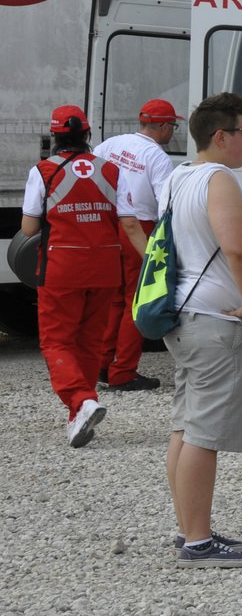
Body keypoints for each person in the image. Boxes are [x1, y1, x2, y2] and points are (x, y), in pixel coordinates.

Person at [163, 93, 242, 565]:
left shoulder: (177, 176)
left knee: (186, 426)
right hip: (215, 320)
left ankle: (191, 530)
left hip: (183, 314)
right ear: (221, 137)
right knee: (204, 433)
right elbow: (238, 251)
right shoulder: (219, 179)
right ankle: (199, 542)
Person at [20, 105, 126, 448]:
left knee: (56, 341)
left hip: (62, 267)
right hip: (106, 265)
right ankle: (79, 416)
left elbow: (29, 226)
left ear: (54, 137)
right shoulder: (110, 170)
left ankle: (81, 399)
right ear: (87, 135)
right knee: (89, 341)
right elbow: (126, 218)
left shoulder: (44, 171)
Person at [93, 98, 182, 392]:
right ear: (164, 126)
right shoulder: (157, 157)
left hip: (105, 227)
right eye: (174, 126)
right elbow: (167, 205)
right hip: (137, 229)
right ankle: (123, 371)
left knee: (114, 300)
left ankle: (103, 364)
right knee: (137, 301)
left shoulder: (109, 145)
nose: (174, 132)